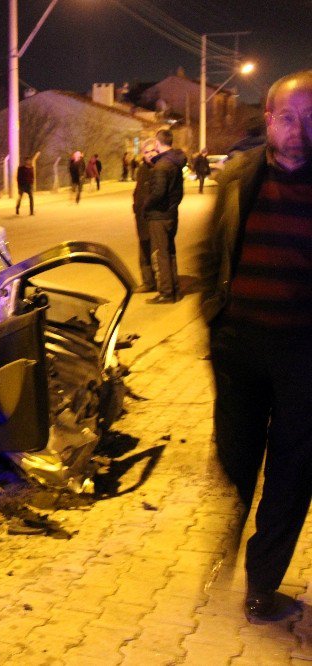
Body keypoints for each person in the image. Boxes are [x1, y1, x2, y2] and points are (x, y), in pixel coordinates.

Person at [198, 69, 312, 623]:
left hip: (303, 353)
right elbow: (208, 253)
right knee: (235, 453)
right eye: (289, 117)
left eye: (311, 119)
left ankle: (262, 586)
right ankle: (234, 518)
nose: (299, 130)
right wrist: (213, 323)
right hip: (239, 347)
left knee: (294, 467)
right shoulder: (241, 175)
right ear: (268, 120)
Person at [141, 128, 187, 303]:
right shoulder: (175, 162)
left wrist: (146, 204)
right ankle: (175, 289)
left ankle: (166, 293)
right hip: (170, 214)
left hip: (159, 216)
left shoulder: (162, 166)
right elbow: (178, 192)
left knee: (161, 254)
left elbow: (158, 193)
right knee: (170, 253)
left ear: (158, 143)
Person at [131, 139, 159, 293]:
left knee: (157, 252)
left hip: (154, 217)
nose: (149, 154)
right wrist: (136, 207)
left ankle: (161, 283)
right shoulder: (142, 169)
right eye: (146, 152)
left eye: (152, 151)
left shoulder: (159, 168)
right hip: (141, 218)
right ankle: (148, 282)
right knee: (144, 250)